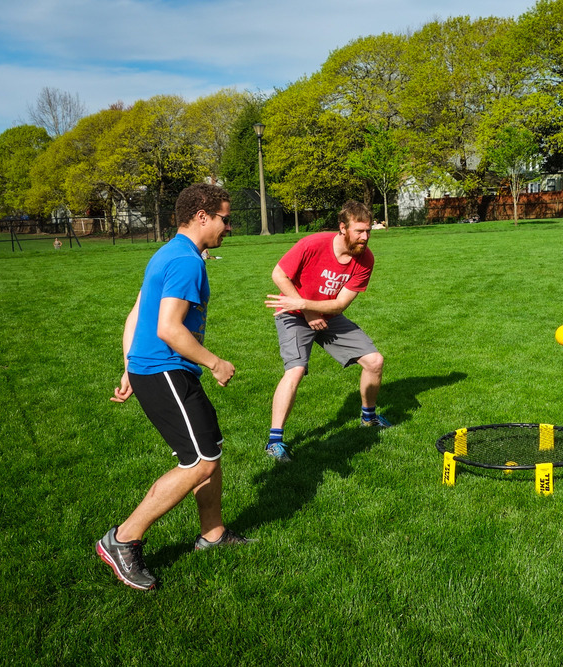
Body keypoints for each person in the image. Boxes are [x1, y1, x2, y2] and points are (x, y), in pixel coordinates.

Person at [98, 184, 244, 591]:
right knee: (200, 461)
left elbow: (136, 312)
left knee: (209, 448)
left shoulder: (170, 252)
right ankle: (122, 539)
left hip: (155, 370)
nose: (228, 227)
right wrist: (216, 362)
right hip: (164, 370)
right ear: (202, 216)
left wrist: (129, 366)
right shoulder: (186, 262)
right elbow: (167, 328)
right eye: (225, 219)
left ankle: (212, 535)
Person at [263, 200, 390, 463]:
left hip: (328, 315)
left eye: (368, 231)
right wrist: (305, 310)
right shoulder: (313, 244)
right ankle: (274, 441)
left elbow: (341, 303)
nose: (365, 237)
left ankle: (369, 418)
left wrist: (311, 308)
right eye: (359, 231)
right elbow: (278, 274)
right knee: (295, 370)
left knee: (374, 361)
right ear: (343, 228)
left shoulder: (365, 259)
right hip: (293, 313)